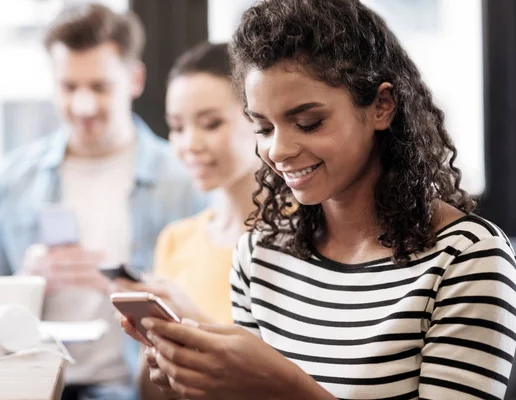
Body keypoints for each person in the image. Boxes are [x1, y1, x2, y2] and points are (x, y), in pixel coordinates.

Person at [120, 0, 516, 399]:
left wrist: (285, 387)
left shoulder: (466, 258)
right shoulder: (259, 255)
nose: (278, 150)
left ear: (382, 106)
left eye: (308, 123)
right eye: (263, 127)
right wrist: (185, 381)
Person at [0, 3, 204, 400]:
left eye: (100, 87)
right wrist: (21, 287)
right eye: (69, 87)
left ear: (135, 79)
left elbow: (204, 307)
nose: (84, 106)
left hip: (130, 387)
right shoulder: (13, 180)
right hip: (26, 383)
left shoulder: (184, 179)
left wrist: (133, 290)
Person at [116, 42, 260, 399]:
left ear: (260, 117)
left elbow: (287, 383)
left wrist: (192, 322)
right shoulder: (176, 239)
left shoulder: (299, 240)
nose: (189, 143)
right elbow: (149, 392)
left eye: (211, 123)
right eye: (177, 127)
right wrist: (155, 349)